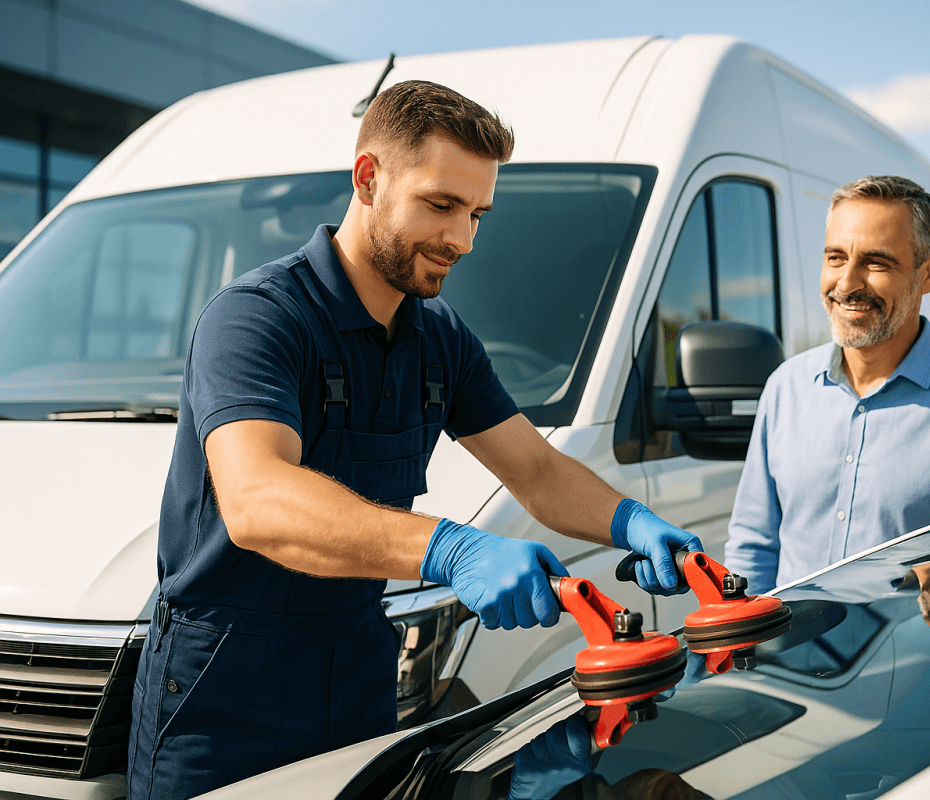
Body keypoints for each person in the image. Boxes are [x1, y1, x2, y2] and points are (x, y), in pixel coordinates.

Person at [127, 80, 700, 800]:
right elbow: (257, 499)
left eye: (476, 213)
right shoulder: (255, 320)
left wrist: (633, 525)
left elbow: (535, 468)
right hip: (223, 690)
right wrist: (453, 548)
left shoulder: (441, 339)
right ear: (368, 178)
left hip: (357, 675)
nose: (462, 239)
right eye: (440, 205)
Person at [725, 175, 930, 595]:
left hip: (921, 661)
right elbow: (754, 547)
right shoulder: (785, 388)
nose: (847, 284)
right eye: (836, 257)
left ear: (929, 273)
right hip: (790, 658)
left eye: (876, 262)